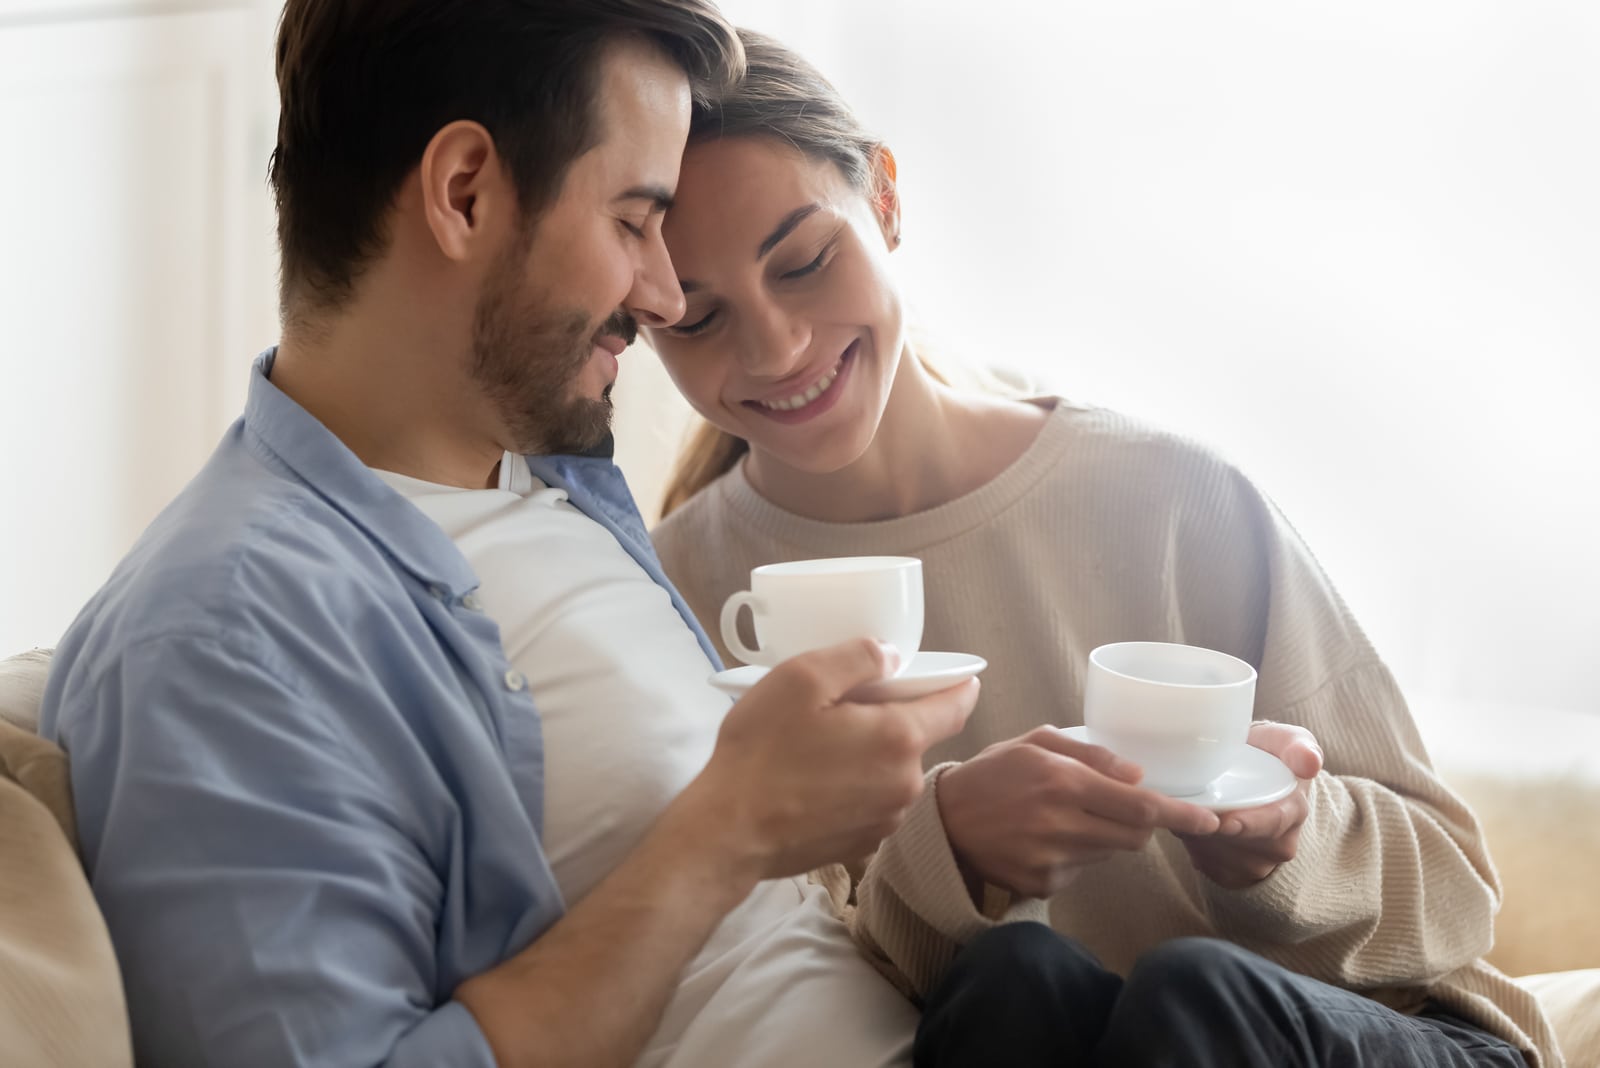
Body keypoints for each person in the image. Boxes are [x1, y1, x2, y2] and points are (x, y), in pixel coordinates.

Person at [38, 5, 984, 1066]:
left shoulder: (556, 488)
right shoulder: (224, 635)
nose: (662, 295)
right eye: (634, 222)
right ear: (464, 194)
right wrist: (728, 834)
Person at [646, 30, 1562, 1068]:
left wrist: (1290, 839)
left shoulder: (1169, 497)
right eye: (693, 319)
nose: (773, 348)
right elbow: (760, 977)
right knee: (1009, 978)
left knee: (1192, 992)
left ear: (886, 202)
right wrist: (947, 852)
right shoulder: (670, 595)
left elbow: (1452, 896)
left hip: (1392, 1032)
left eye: (805, 262)